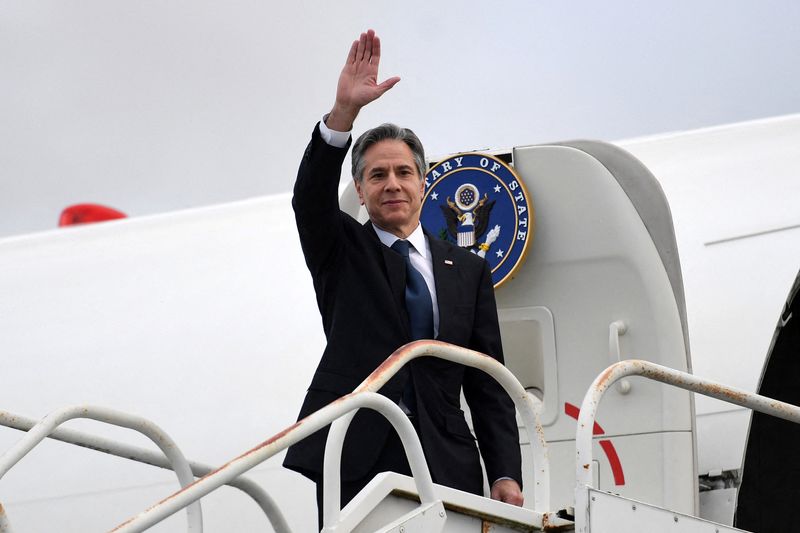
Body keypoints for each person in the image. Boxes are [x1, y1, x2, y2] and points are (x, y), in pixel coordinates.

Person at [283, 29, 523, 523]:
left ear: (422, 182)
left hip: (447, 464)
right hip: (356, 458)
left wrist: (505, 472)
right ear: (361, 189)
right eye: (377, 175)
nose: (391, 184)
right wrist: (342, 116)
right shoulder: (342, 251)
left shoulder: (468, 271)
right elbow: (308, 199)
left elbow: (485, 381)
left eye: (402, 172)